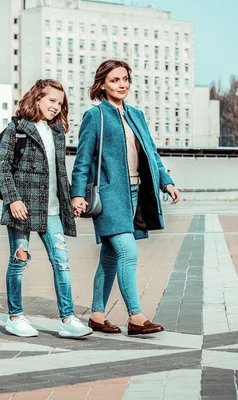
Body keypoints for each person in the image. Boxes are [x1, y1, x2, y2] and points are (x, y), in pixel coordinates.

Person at [71, 60, 180, 336]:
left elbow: (151, 154)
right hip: (110, 196)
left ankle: (96, 315)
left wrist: (166, 182)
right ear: (102, 84)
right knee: (128, 252)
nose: (121, 85)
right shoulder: (95, 116)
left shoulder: (136, 115)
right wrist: (76, 194)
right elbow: (82, 161)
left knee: (110, 257)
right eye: (115, 80)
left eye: (125, 79)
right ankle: (136, 316)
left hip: (136, 194)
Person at [0, 79, 92, 338]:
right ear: (37, 98)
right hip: (23, 208)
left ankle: (68, 319)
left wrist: (72, 197)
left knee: (62, 263)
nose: (56, 107)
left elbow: (60, 172)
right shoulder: (17, 129)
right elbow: (2, 166)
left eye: (60, 104)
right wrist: (13, 199)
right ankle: (15, 317)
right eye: (52, 101)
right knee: (19, 261)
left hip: (52, 211)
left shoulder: (57, 132)